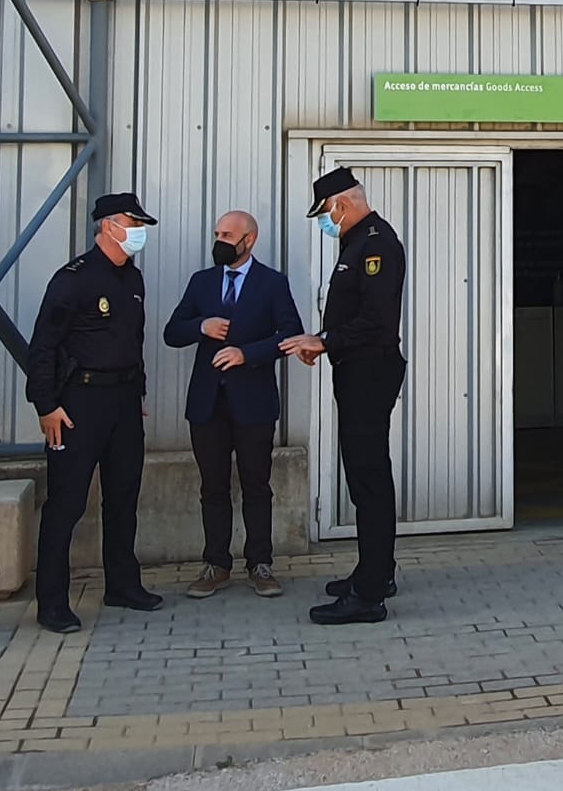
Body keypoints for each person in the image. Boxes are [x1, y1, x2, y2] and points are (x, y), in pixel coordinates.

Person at [26, 192, 163, 633]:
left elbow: (133, 343)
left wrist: (137, 395)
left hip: (123, 403)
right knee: (66, 504)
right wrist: (46, 405)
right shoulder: (74, 279)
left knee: (123, 498)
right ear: (107, 226)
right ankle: (52, 603)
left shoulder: (132, 280)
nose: (139, 232)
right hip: (78, 404)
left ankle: (122, 584)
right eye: (132, 222)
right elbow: (43, 347)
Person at [280, 168, 407, 625]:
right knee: (364, 477)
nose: (323, 222)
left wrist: (325, 340)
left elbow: (376, 320)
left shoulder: (376, 244)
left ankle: (370, 595)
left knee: (369, 480)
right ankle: (374, 570)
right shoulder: (356, 242)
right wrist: (325, 340)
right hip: (356, 372)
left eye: (324, 214)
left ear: (343, 204)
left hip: (369, 374)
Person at [163, 210, 304, 599]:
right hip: (208, 403)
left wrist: (247, 353)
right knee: (213, 486)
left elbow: (290, 333)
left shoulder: (272, 283)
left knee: (257, 485)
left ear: (249, 240)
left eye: (227, 234)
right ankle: (216, 564)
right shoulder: (201, 282)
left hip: (253, 402)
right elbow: (171, 332)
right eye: (217, 233)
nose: (219, 240)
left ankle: (260, 563)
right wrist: (201, 326)